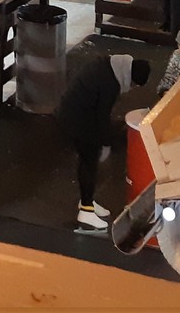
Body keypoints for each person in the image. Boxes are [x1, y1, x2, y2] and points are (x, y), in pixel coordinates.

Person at [57, 53, 152, 230]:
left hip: (75, 111)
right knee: (89, 162)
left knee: (88, 161)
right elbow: (102, 117)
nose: (130, 88)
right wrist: (106, 143)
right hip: (78, 119)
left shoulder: (111, 65)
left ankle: (88, 202)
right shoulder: (111, 84)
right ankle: (85, 211)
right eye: (134, 85)